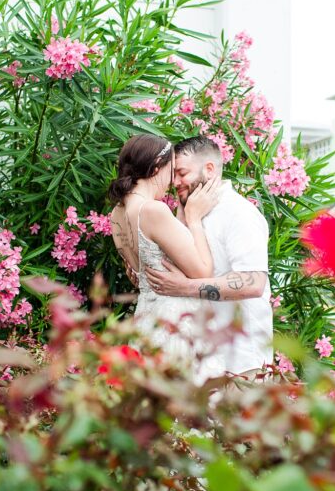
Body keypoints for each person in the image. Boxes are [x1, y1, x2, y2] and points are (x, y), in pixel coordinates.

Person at [144, 136, 273, 381]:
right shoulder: (192, 212)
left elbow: (253, 283)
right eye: (173, 175)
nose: (175, 183)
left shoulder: (239, 213)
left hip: (240, 365)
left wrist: (185, 288)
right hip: (200, 362)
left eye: (181, 173)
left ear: (210, 170)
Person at [107, 134, 221, 360]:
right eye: (172, 171)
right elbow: (202, 271)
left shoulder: (116, 215)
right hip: (175, 322)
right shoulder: (153, 210)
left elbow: (144, 270)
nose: (173, 182)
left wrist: (178, 217)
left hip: (146, 321)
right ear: (157, 167)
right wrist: (194, 219)